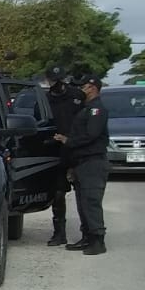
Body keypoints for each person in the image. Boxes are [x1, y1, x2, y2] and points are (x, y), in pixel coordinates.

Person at [54, 74, 109, 255]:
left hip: (92, 162)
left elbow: (91, 135)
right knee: (82, 203)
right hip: (81, 162)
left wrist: (68, 140)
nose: (80, 90)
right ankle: (87, 237)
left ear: (92, 88)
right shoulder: (86, 108)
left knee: (91, 201)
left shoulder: (96, 110)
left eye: (83, 86)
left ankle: (97, 240)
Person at [44, 67, 85, 245]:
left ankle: (88, 233)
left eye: (59, 79)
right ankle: (59, 233)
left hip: (78, 150)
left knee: (84, 193)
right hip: (56, 151)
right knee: (58, 193)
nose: (57, 83)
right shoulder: (45, 99)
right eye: (54, 80)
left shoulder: (77, 96)